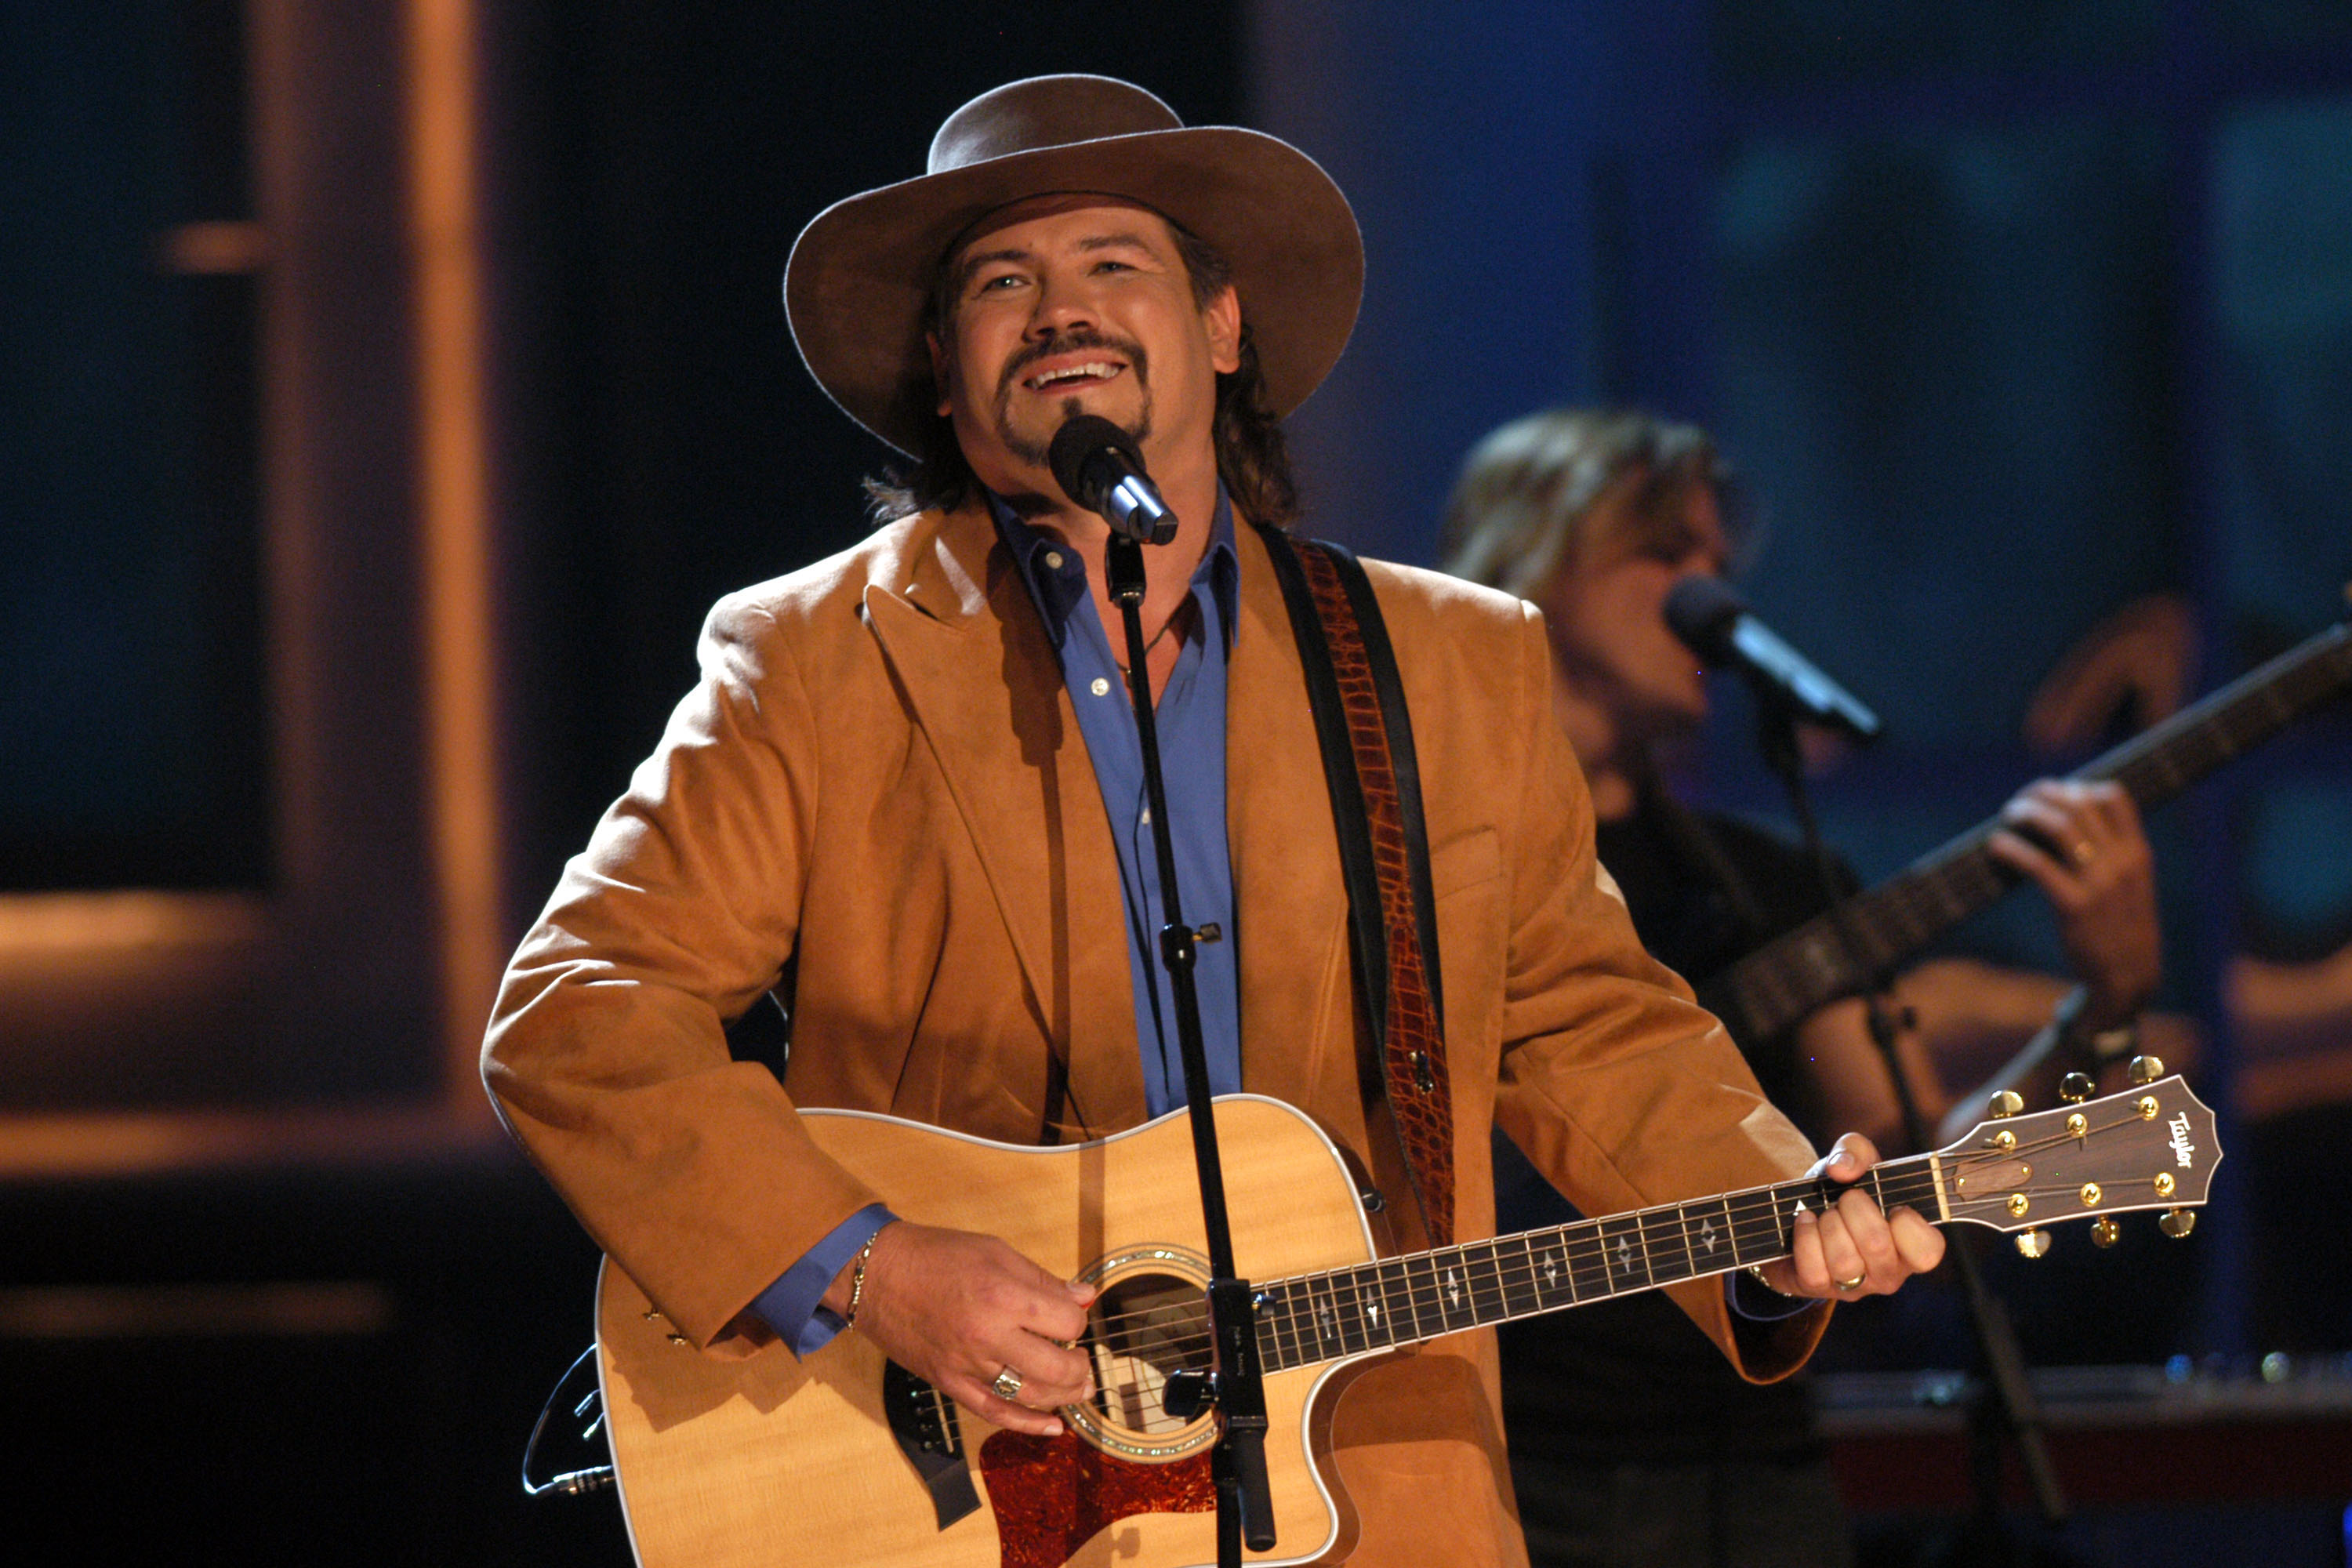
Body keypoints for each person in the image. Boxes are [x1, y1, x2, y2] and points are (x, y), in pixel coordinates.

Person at [482, 80, 1943, 1568]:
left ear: (1224, 327)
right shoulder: (810, 658)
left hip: (1378, 1481)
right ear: (943, 366)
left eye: (1115, 262)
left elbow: (1591, 1028)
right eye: (1003, 280)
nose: (1061, 310)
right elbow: (578, 1013)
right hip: (961, 1491)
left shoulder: (1449, 662)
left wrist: (1774, 1224)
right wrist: (875, 1269)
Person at [1439, 408, 2165, 1568]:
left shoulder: (1771, 879)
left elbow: (1918, 1175)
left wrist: (2105, 1010)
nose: (1705, 594)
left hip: (1759, 1477)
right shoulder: (1432, 869)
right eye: (1663, 554)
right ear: (1529, 560)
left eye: (1718, 566)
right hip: (1504, 1473)